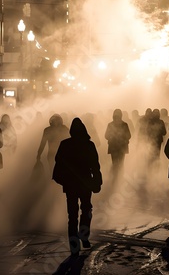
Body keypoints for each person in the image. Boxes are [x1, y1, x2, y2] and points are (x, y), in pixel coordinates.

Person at [52, 118, 102, 256]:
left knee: (72, 215)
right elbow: (95, 165)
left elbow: (58, 162)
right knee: (86, 209)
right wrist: (97, 181)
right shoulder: (89, 145)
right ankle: (84, 235)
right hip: (85, 182)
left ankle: (74, 245)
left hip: (70, 184)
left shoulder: (65, 144)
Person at [104, 109, 131, 182]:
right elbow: (106, 136)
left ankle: (116, 177)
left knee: (116, 162)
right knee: (119, 162)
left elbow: (128, 135)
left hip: (116, 147)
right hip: (118, 147)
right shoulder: (124, 124)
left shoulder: (111, 124)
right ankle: (118, 177)